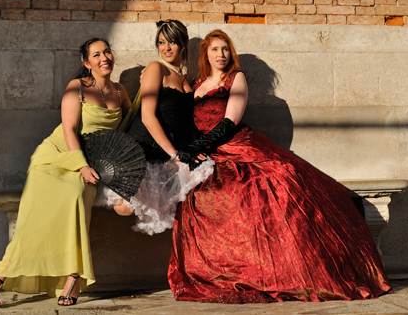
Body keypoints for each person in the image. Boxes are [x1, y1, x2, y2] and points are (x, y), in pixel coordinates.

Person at [168, 29, 391, 303]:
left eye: (225, 49)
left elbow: (230, 122)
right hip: (206, 152)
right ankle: (220, 271)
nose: (221, 54)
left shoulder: (236, 78)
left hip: (236, 143)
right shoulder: (197, 83)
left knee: (276, 180)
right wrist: (190, 147)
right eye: (215, 49)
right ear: (205, 54)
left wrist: (197, 147)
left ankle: (281, 270)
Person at [0, 38, 131, 307]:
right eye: (96, 55)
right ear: (86, 63)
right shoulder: (77, 87)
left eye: (107, 52)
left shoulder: (120, 92)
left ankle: (73, 275)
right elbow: (69, 129)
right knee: (48, 208)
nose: (104, 58)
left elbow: (131, 125)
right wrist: (81, 165)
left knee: (76, 196)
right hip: (57, 157)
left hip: (92, 161)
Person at [95, 19, 213, 234]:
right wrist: (175, 154)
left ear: (184, 44)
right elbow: (148, 117)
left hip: (167, 151)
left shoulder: (186, 80)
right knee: (124, 207)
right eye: (161, 42)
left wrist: (191, 149)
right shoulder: (156, 68)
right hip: (143, 147)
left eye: (172, 42)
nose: (166, 48)